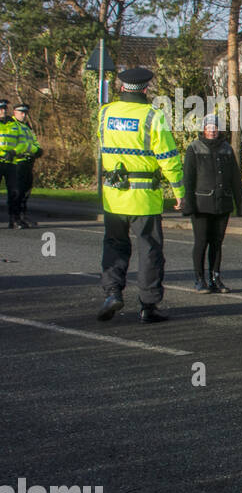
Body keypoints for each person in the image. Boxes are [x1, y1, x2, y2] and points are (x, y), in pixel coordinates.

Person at [94, 67, 185, 323]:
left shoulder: (106, 113)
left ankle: (112, 293)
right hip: (144, 199)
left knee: (114, 246)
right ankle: (148, 305)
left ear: (122, 88)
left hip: (113, 196)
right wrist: (180, 192)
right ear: (145, 89)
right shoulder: (153, 116)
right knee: (149, 251)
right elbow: (168, 159)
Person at [181, 113, 242, 293]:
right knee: (201, 241)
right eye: (209, 127)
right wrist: (188, 203)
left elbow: (235, 178)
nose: (212, 131)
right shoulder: (194, 148)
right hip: (201, 204)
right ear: (203, 129)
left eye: (215, 128)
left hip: (222, 203)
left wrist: (241, 204)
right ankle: (199, 279)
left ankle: (215, 278)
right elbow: (188, 178)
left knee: (217, 243)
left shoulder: (226, 149)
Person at [2, 102, 41, 227]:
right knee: (17, 191)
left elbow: (26, 143)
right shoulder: (14, 124)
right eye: (21, 112)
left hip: (15, 161)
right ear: (15, 112)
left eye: (4, 109)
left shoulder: (22, 126)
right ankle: (17, 218)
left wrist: (37, 150)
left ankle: (16, 218)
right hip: (16, 161)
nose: (24, 115)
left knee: (17, 192)